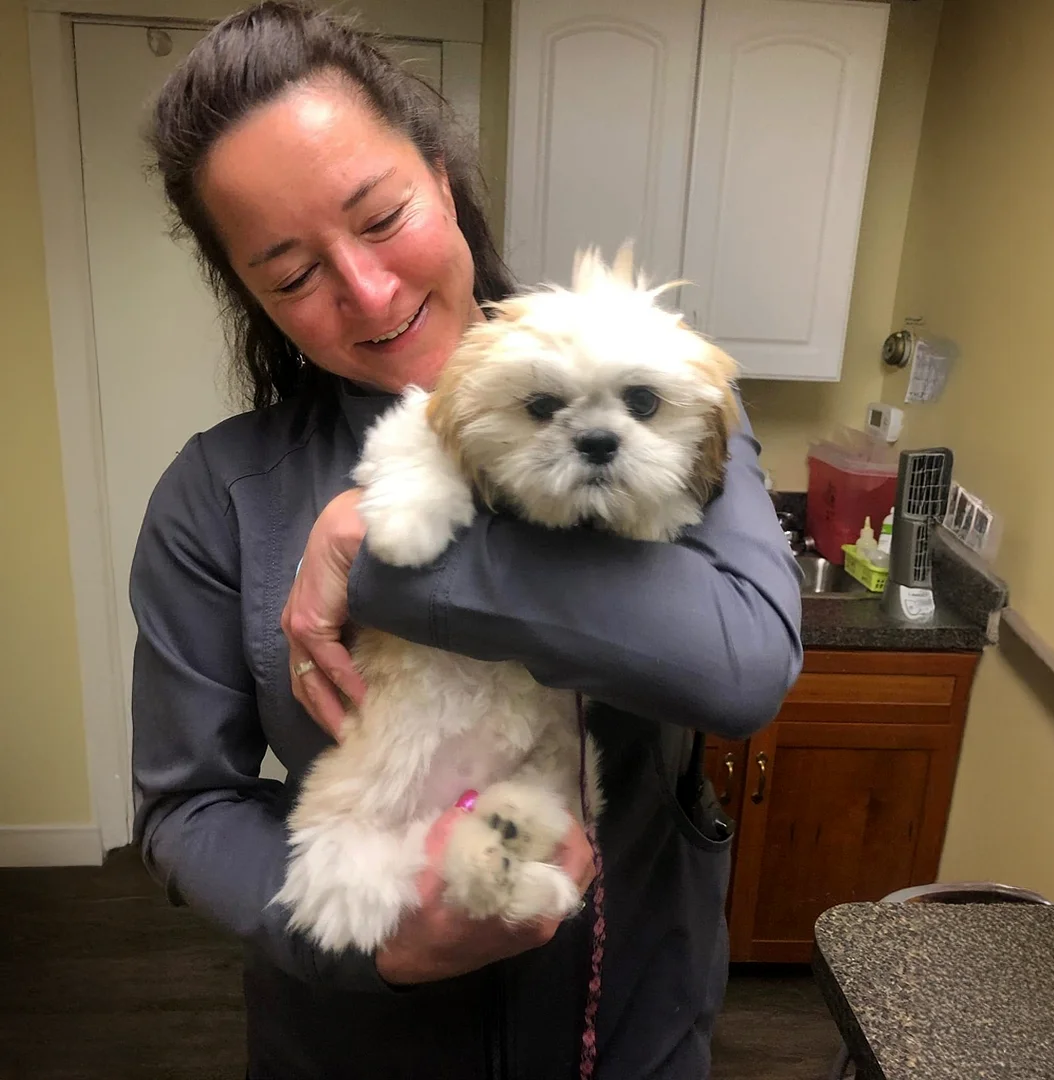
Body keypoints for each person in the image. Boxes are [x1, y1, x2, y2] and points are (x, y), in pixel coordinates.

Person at [129, 3, 803, 1077]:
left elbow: (744, 666)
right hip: (353, 1041)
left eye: (382, 215)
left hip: (627, 1027)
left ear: (441, 178)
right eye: (293, 275)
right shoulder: (220, 495)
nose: (368, 291)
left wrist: (392, 554)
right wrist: (375, 938)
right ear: (250, 296)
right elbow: (183, 807)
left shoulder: (649, 387)